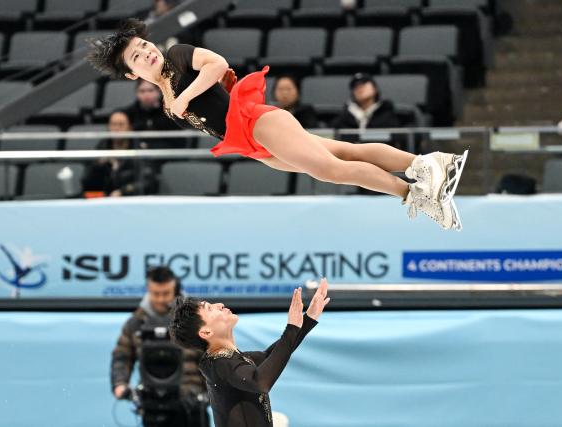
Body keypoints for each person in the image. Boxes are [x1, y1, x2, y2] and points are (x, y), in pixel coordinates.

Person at [87, 19, 467, 230]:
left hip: (259, 122)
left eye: (144, 45)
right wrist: (182, 101)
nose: (146, 53)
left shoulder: (178, 57)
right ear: (130, 74)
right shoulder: (166, 100)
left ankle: (417, 185)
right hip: (254, 145)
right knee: (342, 151)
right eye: (136, 56)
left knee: (331, 170)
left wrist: (187, 95)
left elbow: (218, 65)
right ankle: (430, 165)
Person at [169, 279, 331, 427]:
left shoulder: (230, 360)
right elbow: (260, 382)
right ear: (206, 332)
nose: (219, 304)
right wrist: (291, 328)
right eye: (210, 308)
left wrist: (308, 319)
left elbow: (270, 356)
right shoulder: (219, 364)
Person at [111, 266, 209, 427]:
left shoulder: (195, 319)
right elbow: (122, 356)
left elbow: (211, 353)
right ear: (148, 290)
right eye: (156, 294)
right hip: (152, 403)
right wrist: (120, 384)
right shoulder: (136, 323)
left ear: (175, 289)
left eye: (166, 293)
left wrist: (211, 392)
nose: (161, 299)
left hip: (192, 404)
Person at [82, 110, 157, 196]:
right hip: (104, 200)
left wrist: (123, 192)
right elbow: (86, 183)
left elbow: (147, 182)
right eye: (113, 124)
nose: (117, 128)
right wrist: (99, 165)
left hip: (131, 199)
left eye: (121, 124)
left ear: (129, 128)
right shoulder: (102, 147)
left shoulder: (139, 149)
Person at [331, 73, 404, 148]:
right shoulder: (344, 117)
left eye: (364, 83)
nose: (359, 87)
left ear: (375, 88)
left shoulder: (387, 113)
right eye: (355, 86)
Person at [123, 79, 182, 149]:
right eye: (142, 91)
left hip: (167, 152)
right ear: (136, 93)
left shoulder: (170, 111)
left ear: (159, 91)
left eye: (150, 90)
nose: (146, 95)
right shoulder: (129, 113)